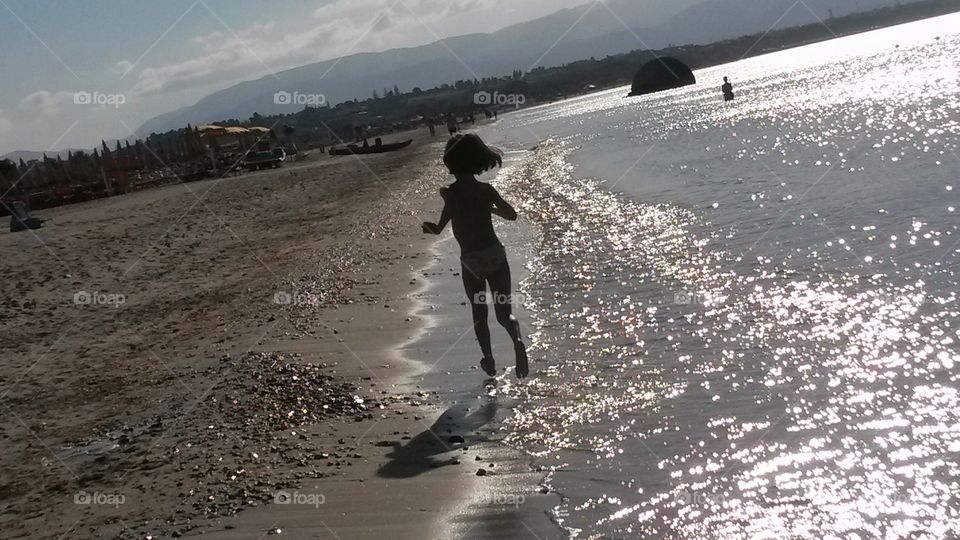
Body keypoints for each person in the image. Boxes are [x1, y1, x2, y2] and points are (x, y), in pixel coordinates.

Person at [421, 134, 529, 378]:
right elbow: (512, 215)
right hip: (494, 253)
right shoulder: (486, 190)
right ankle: (518, 342)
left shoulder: (450, 194)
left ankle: (489, 360)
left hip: (471, 260)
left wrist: (428, 227)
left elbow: (439, 228)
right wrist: (490, 207)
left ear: (450, 163)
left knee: (480, 314)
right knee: (505, 313)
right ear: (478, 160)